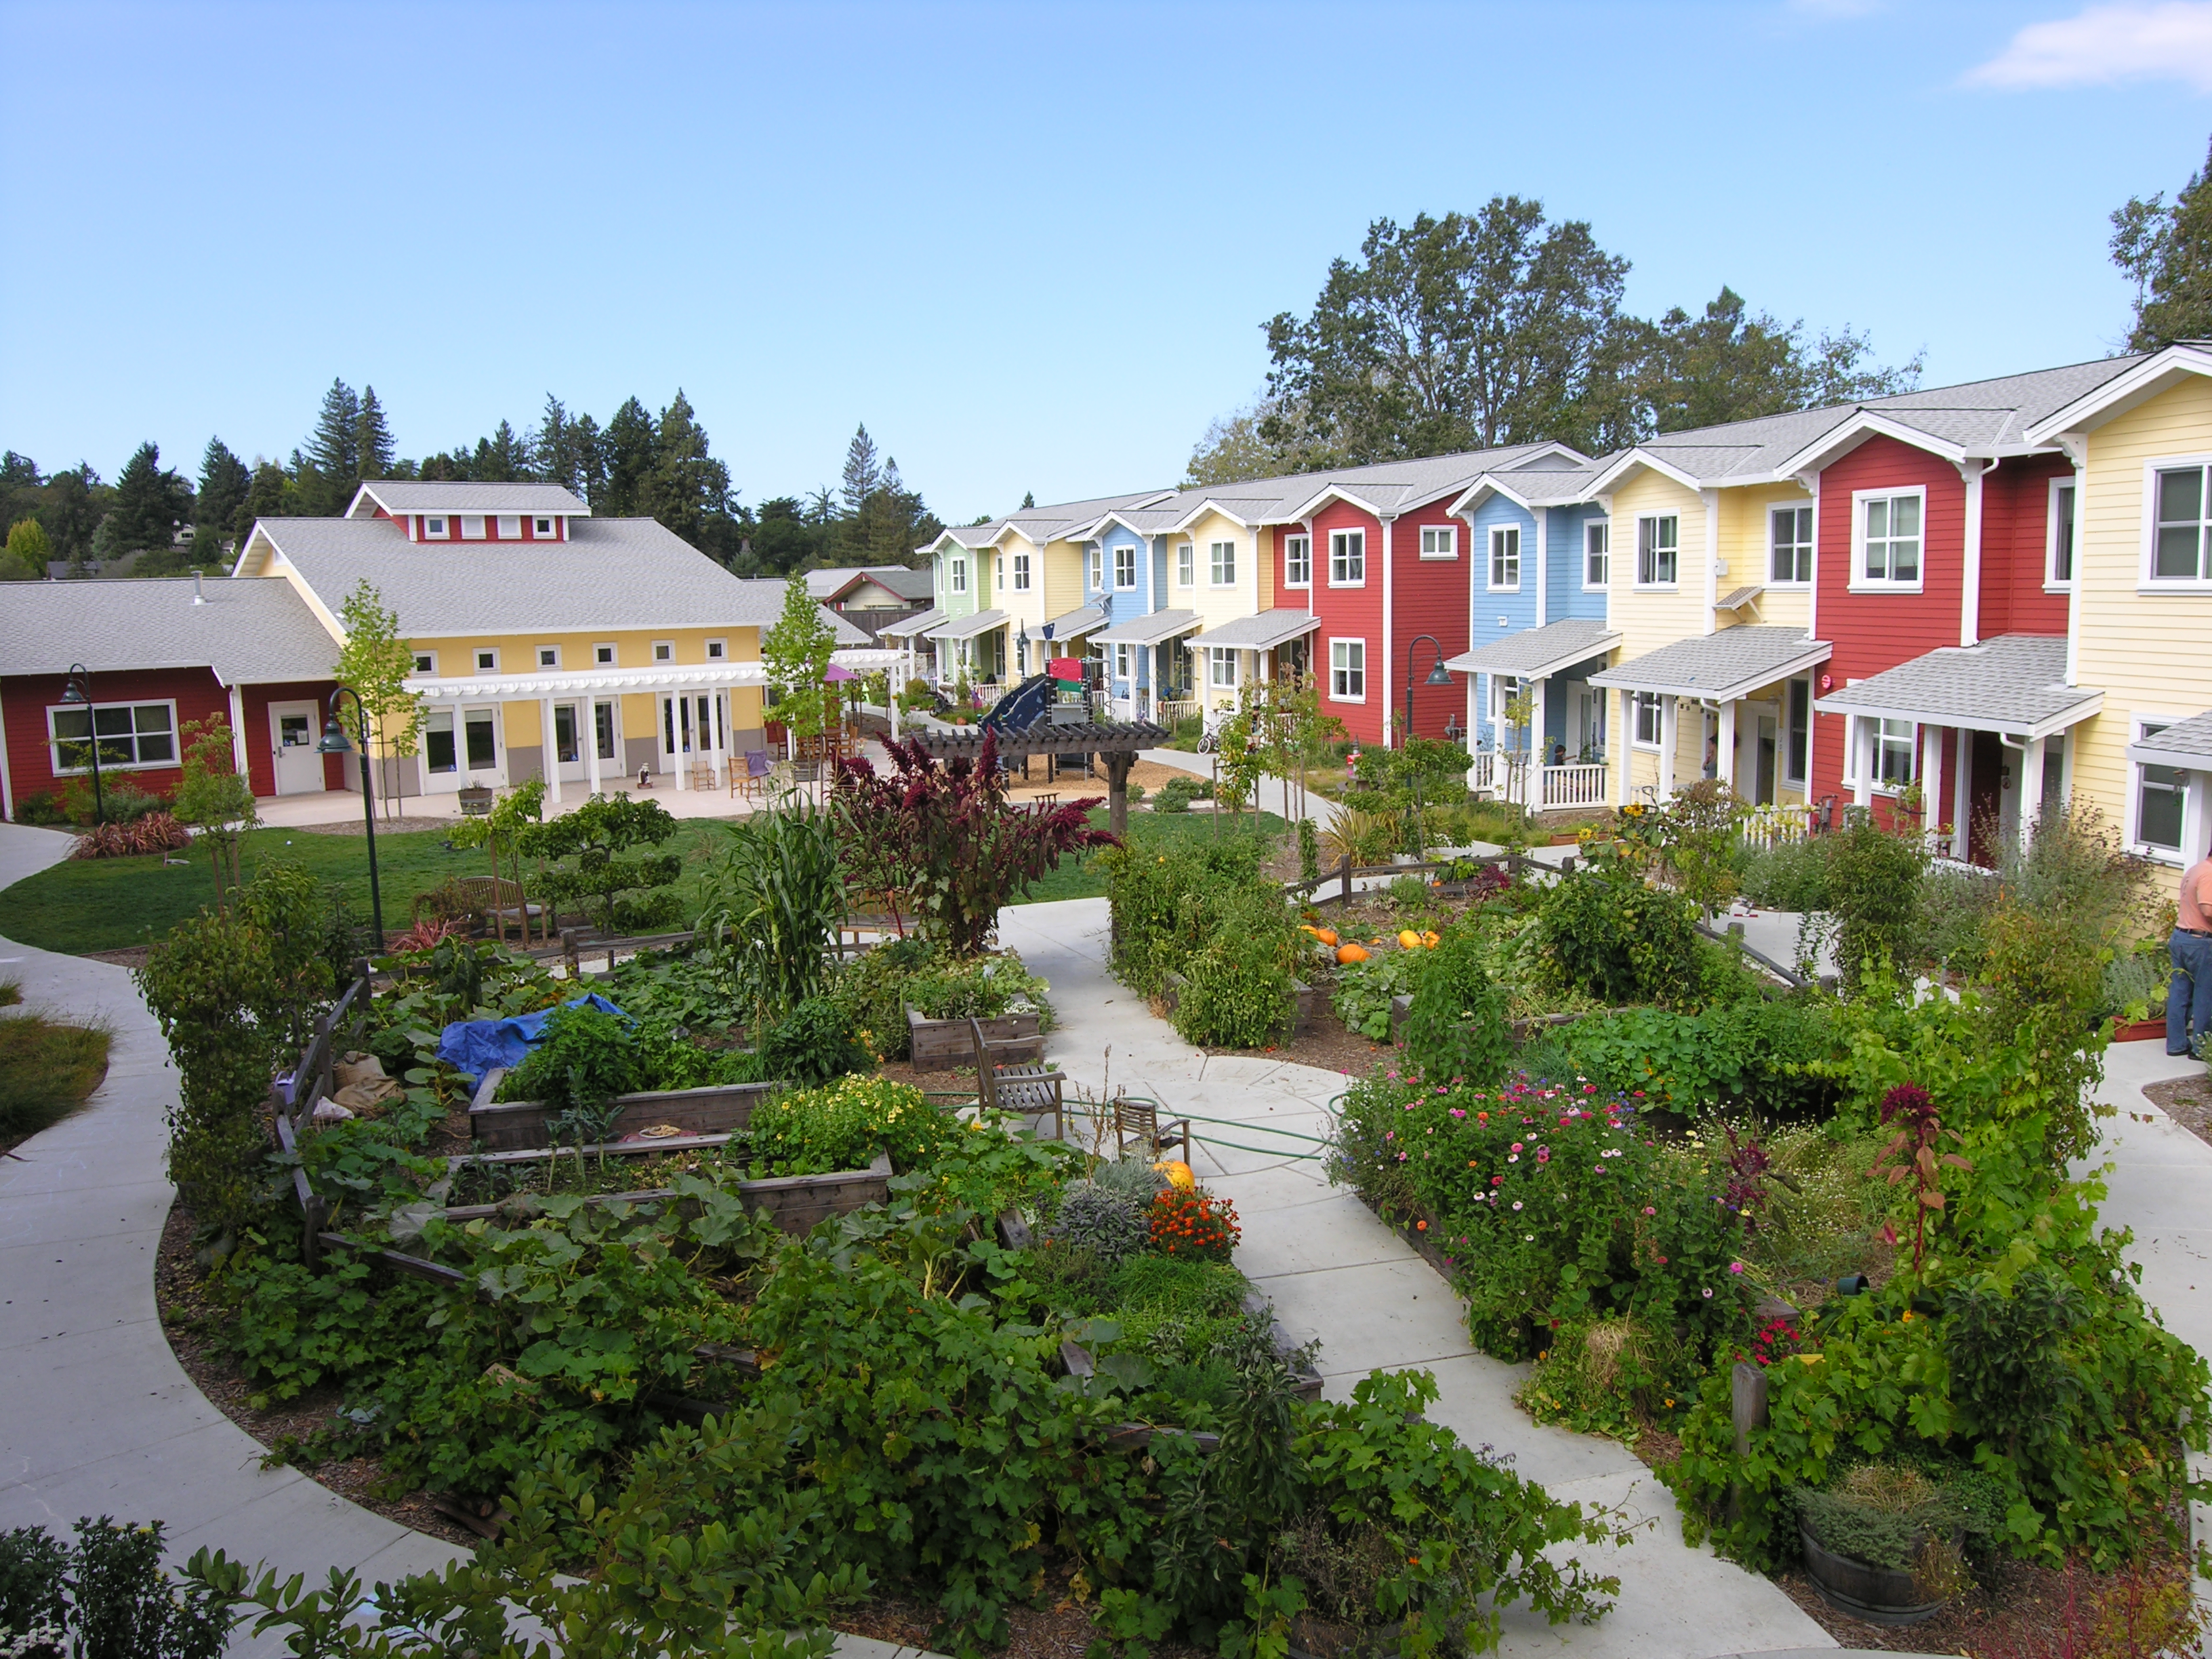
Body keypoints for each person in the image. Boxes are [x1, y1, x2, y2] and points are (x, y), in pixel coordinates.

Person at [2170, 842, 2212, 1057]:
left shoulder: (2195, 869)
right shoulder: (2209, 874)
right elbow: (2207, 909)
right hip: (2201, 941)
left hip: (2181, 936)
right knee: (2205, 995)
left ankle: (2176, 1044)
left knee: (2180, 992)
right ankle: (2201, 1048)